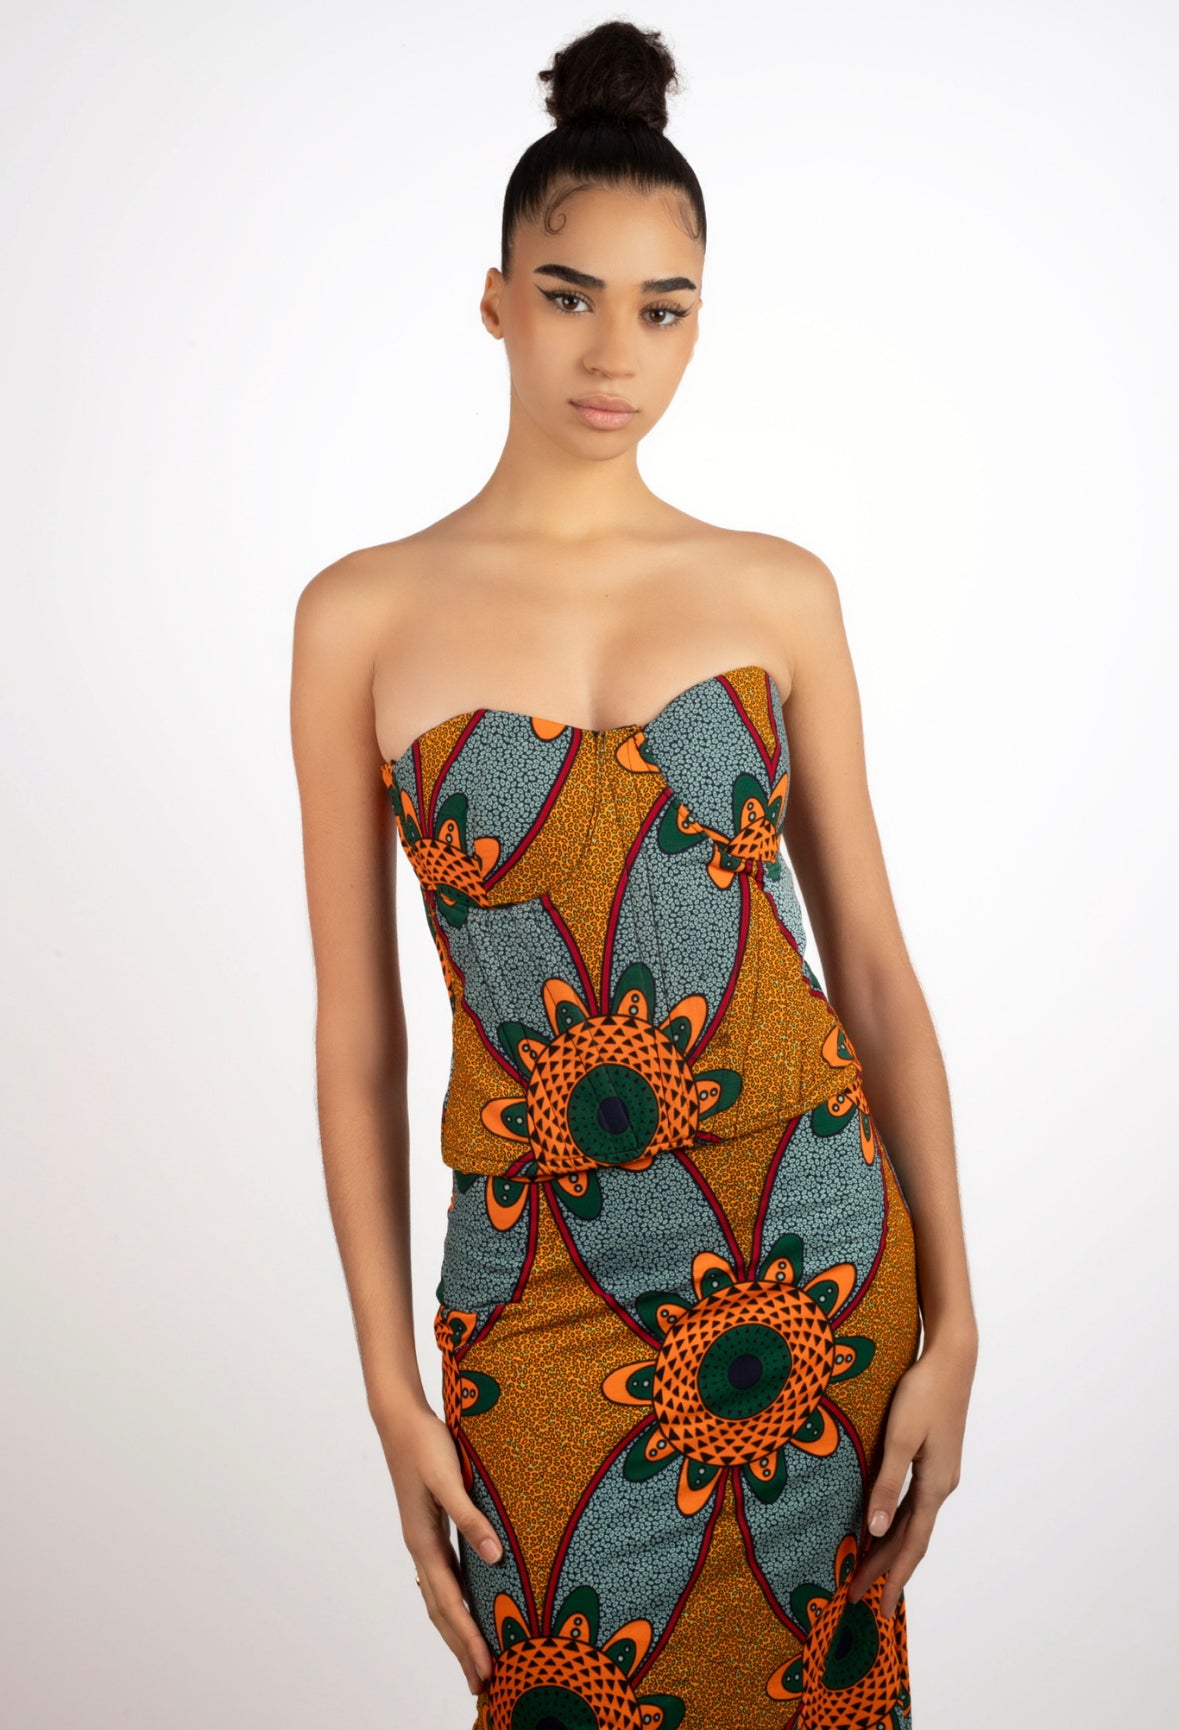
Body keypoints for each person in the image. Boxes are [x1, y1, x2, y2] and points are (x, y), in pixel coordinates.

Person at [289, 19, 977, 1728]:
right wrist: (384, 1384)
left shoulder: (778, 591)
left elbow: (872, 971)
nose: (616, 351)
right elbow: (359, 1034)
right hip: (534, 1283)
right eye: (571, 294)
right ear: (496, 302)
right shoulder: (359, 617)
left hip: (813, 1252)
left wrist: (959, 1320)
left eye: (663, 309)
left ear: (700, 323)